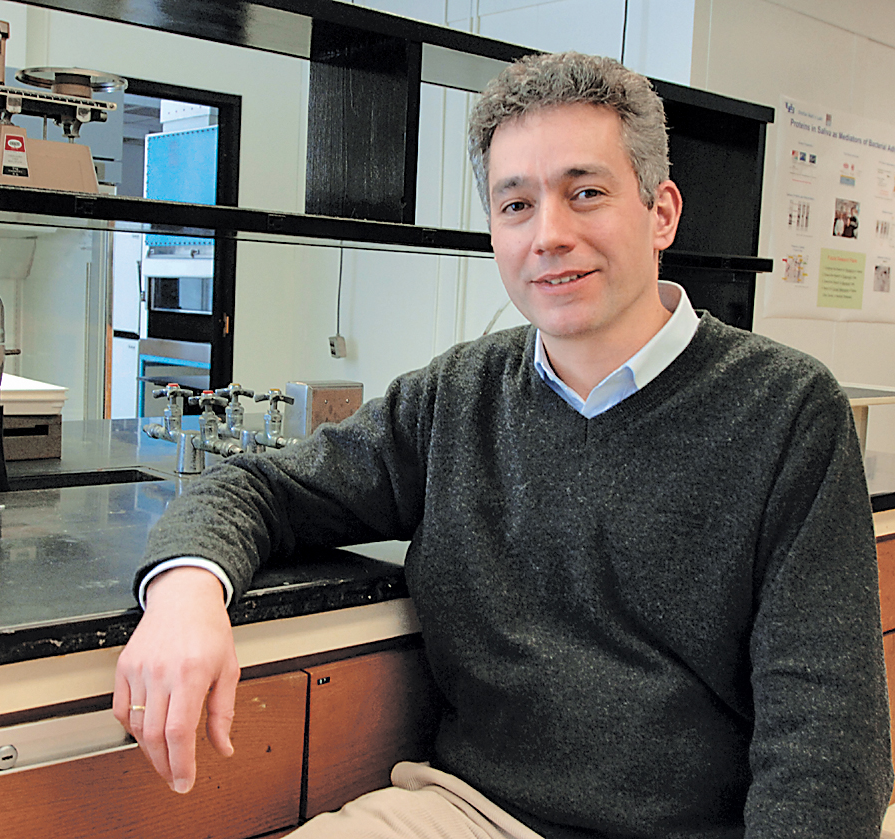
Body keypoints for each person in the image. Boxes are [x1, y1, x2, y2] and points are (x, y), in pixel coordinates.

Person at [114, 51, 893, 838]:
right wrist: (186, 593)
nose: (548, 235)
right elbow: (260, 487)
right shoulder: (457, 395)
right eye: (516, 204)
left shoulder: (787, 410)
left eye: (585, 193)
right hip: (472, 812)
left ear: (661, 213)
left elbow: (827, 749)